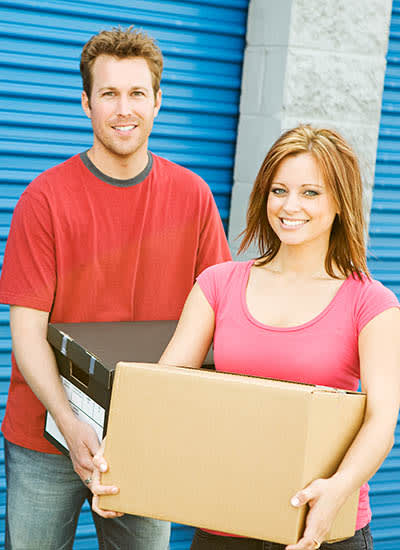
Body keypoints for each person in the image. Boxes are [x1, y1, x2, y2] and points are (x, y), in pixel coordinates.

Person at [91, 125, 400, 550]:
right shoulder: (218, 284)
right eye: (279, 190)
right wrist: (119, 461)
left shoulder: (371, 302)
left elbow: (382, 419)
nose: (290, 206)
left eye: (311, 193)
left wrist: (339, 488)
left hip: (322, 524)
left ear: (340, 203)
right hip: (225, 525)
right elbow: (160, 393)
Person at [0, 26, 231, 550]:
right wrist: (67, 419)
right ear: (86, 102)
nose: (123, 109)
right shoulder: (44, 200)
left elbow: (219, 318)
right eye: (108, 93)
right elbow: (27, 331)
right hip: (45, 437)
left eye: (136, 93)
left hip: (147, 438)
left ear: (158, 102)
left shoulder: (193, 197)